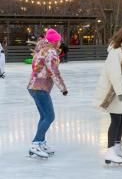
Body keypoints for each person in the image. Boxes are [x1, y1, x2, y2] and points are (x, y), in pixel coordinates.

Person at [93, 24, 122, 165]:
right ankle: (110, 151)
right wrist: (120, 92)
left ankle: (117, 148)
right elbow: (114, 74)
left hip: (121, 90)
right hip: (113, 91)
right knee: (116, 120)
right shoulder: (116, 51)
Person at [27, 29, 68, 159]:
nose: (60, 42)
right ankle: (35, 143)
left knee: (44, 116)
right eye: (59, 40)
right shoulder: (50, 52)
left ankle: (41, 143)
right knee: (49, 117)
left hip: (34, 86)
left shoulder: (42, 49)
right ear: (55, 41)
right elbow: (53, 72)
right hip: (40, 87)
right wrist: (63, 88)